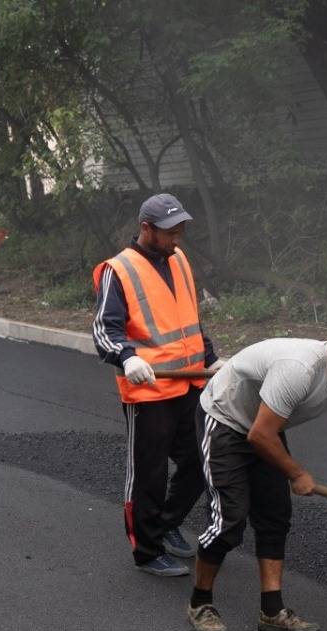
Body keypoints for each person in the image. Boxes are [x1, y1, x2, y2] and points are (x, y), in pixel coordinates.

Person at [184, 316, 327, 631]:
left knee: (275, 516)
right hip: (226, 419)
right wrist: (297, 473)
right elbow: (260, 435)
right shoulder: (300, 369)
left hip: (265, 428)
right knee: (229, 519)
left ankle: (272, 611)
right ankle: (200, 603)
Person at [92, 193, 221, 577]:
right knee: (148, 473)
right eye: (169, 232)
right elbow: (105, 328)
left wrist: (210, 356)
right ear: (146, 228)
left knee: (200, 462)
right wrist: (126, 357)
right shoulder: (119, 269)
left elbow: (190, 318)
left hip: (189, 383)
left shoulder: (179, 259)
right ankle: (147, 551)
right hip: (148, 389)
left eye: (180, 230)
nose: (176, 238)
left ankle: (165, 524)